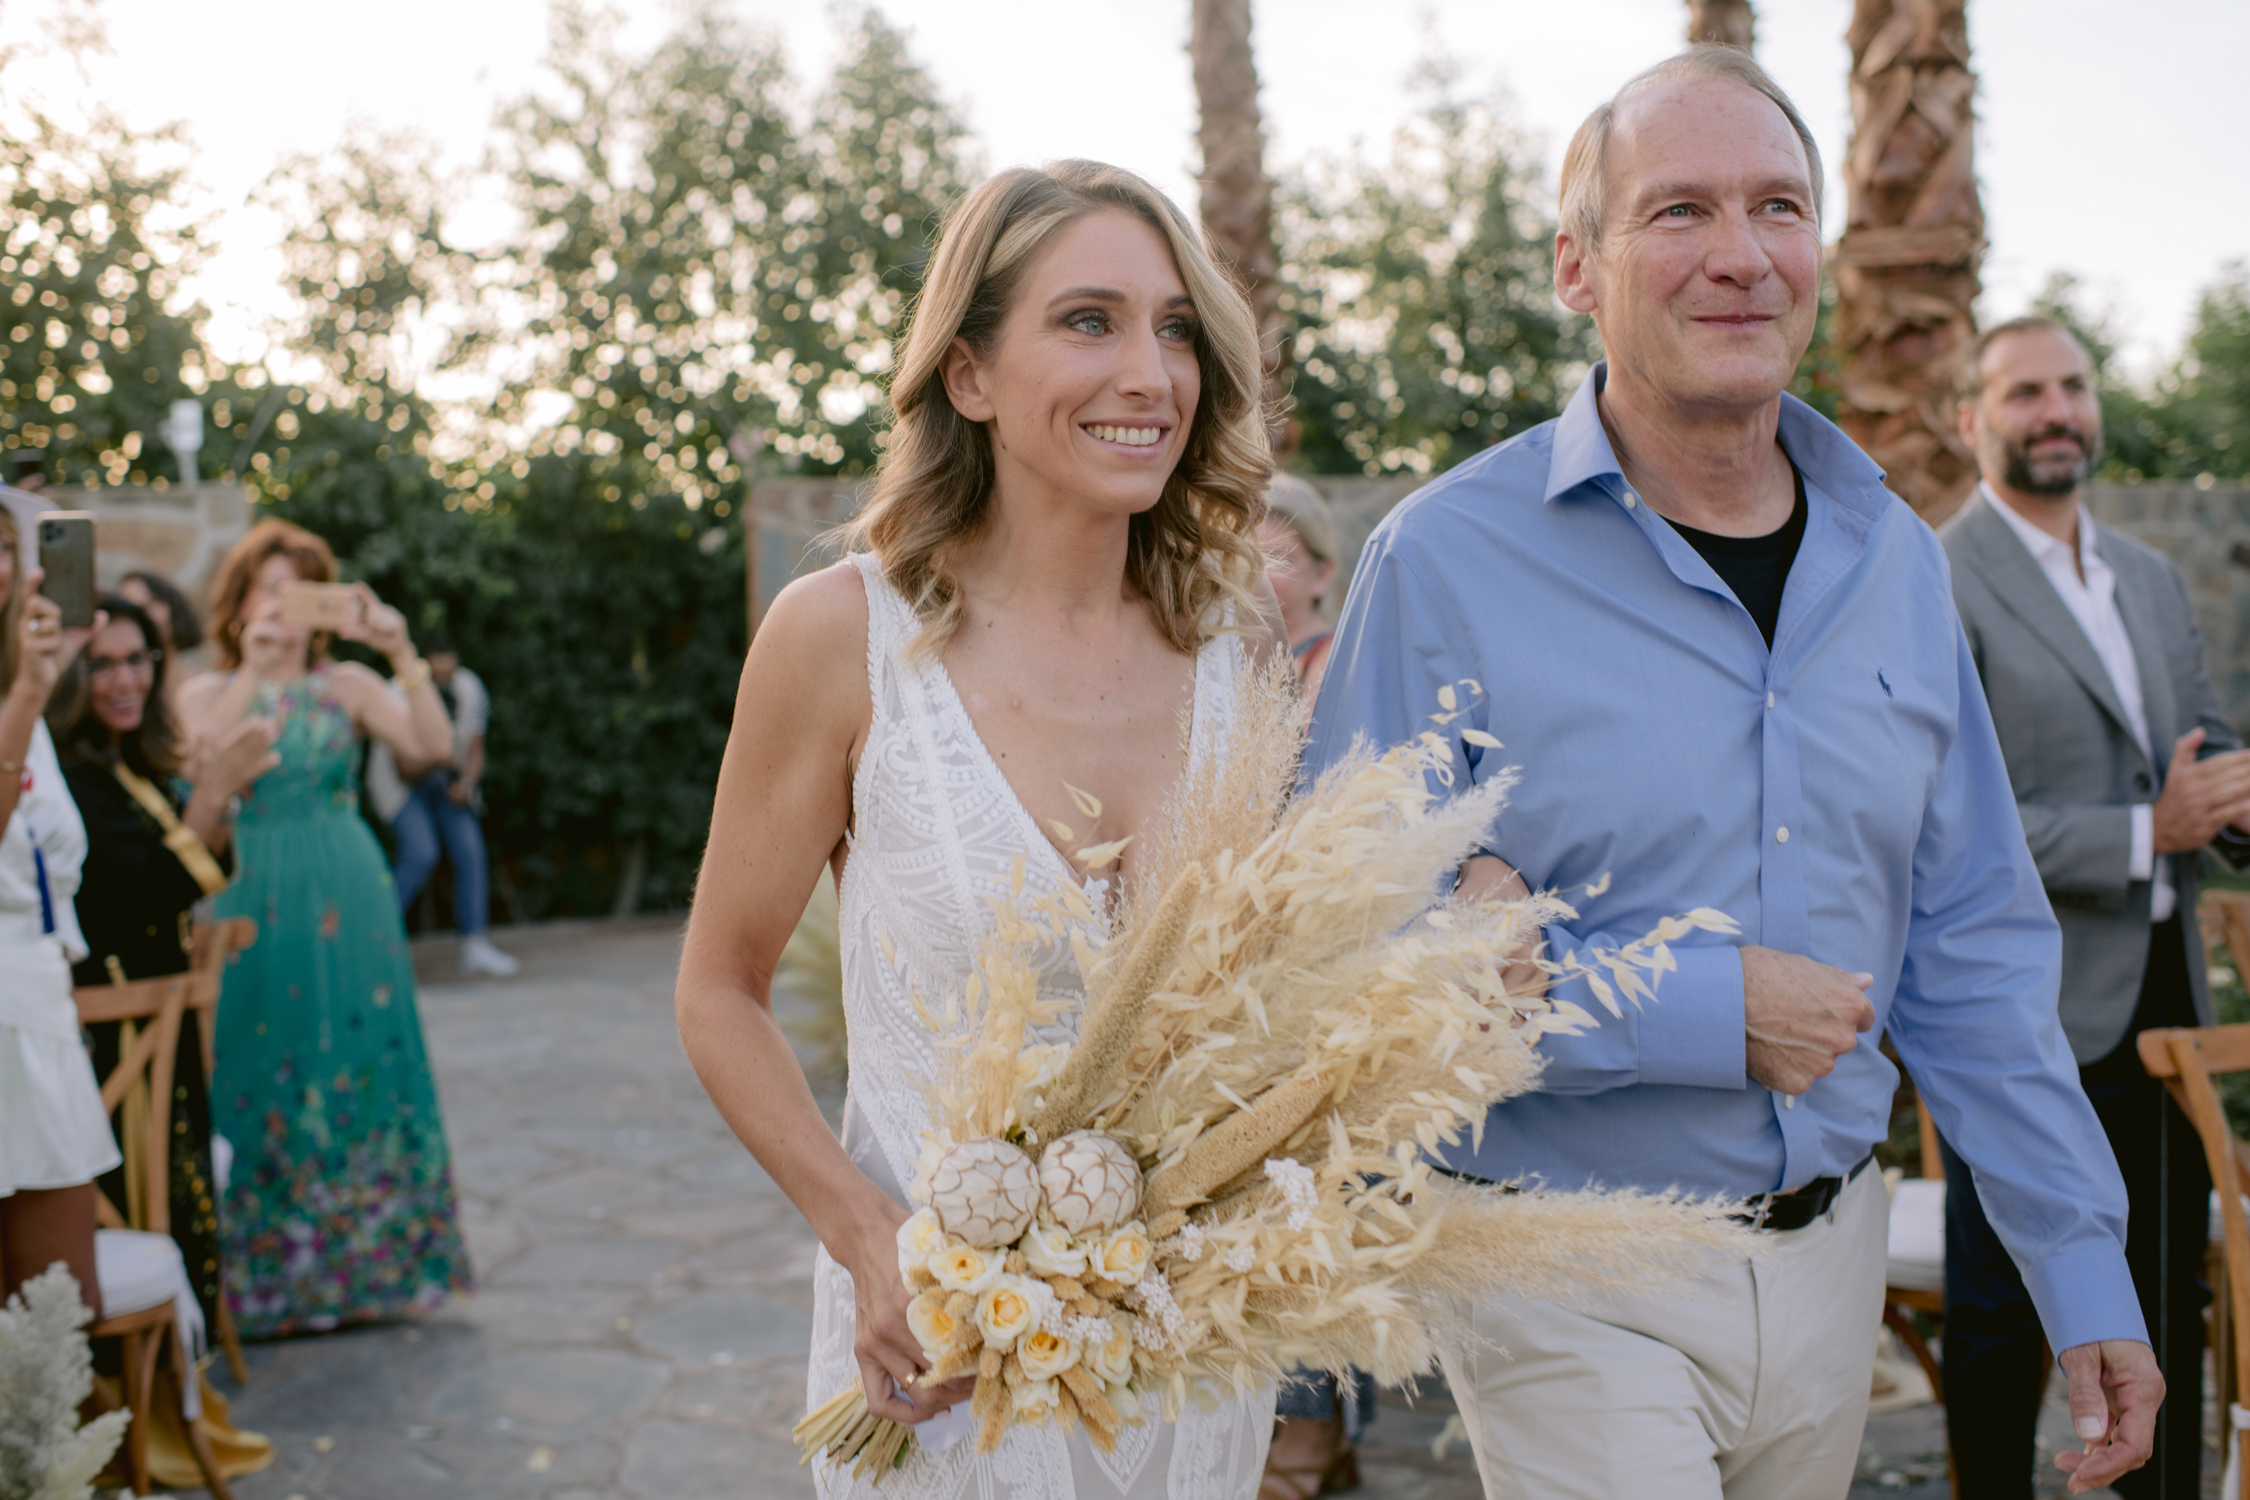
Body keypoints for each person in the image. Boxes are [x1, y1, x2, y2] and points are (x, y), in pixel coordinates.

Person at [1306, 47, 2159, 1499]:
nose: (1738, 257)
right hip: (1559, 1260)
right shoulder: (1441, 562)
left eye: (1775, 207)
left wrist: (2081, 1269)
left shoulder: (1893, 560)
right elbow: (1349, 975)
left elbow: (1969, 953)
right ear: (1578, 267)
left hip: (1827, 1271)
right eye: (1677, 212)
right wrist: (1702, 1010)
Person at [674, 160, 1285, 1498]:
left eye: (1176, 330)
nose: (1149, 372)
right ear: (966, 375)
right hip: (939, 1372)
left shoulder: (1240, 654)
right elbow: (718, 990)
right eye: (1088, 321)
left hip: (1192, 1368)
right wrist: (862, 1233)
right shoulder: (845, 640)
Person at [1939, 315, 2249, 1499]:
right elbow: (1946, 817)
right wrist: (2141, 834)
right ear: (1972, 420)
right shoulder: (1936, 575)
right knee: (2002, 1314)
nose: (2056, 411)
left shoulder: (2153, 578)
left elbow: (2199, 752)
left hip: (2168, 993)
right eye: (2024, 393)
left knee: (2164, 1293)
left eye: (2071, 386)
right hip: (2021, 1014)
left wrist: (2231, 808)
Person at [181, 519, 472, 1338]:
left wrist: (401, 650)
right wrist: (255, 668)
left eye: (297, 589)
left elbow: (433, 745)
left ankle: (369, 1269)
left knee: (357, 1057)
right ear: (238, 602)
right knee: (252, 1059)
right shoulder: (207, 690)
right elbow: (202, 769)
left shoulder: (345, 683)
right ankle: (262, 1284)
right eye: (266, 587)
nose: (280, 604)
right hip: (248, 888)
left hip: (347, 889)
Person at [49, 593, 278, 1329]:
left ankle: (188, 1377)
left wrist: (218, 798)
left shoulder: (129, 765)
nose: (125, 681)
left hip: (160, 1022)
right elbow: (141, 891)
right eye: (102, 664)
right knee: (150, 1203)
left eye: (137, 660)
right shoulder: (71, 779)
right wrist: (210, 795)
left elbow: (183, 870)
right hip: (113, 1035)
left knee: (186, 1198)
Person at [0, 484, 113, 1316]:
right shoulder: (24, 701)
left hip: (36, 1006)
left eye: (8, 545)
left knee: (59, 1326)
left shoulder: (22, 692)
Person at [366, 639, 518, 978]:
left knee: (470, 851)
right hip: (400, 785)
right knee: (421, 853)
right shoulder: (396, 692)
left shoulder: (469, 687)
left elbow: (475, 745)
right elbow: (402, 766)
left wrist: (465, 783)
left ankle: (474, 945)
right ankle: (373, 942)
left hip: (446, 780)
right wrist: (439, 756)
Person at [1256, 476, 1340, 711]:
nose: (1257, 574)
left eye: (1278, 559)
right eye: (1246, 556)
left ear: (1320, 575)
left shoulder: (1336, 665)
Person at [116, 570, 213, 720]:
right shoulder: (121, 689)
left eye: (152, 602)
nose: (145, 615)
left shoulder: (205, 680)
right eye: (134, 608)